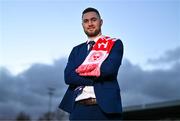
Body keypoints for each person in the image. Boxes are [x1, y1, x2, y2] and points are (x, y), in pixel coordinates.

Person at [59, 7, 124, 120]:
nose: (90, 23)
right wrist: (95, 72)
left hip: (105, 109)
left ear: (101, 22)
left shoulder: (114, 43)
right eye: (86, 21)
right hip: (78, 110)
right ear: (82, 25)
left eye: (93, 20)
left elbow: (109, 70)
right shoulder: (76, 50)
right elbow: (68, 77)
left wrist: (80, 73)